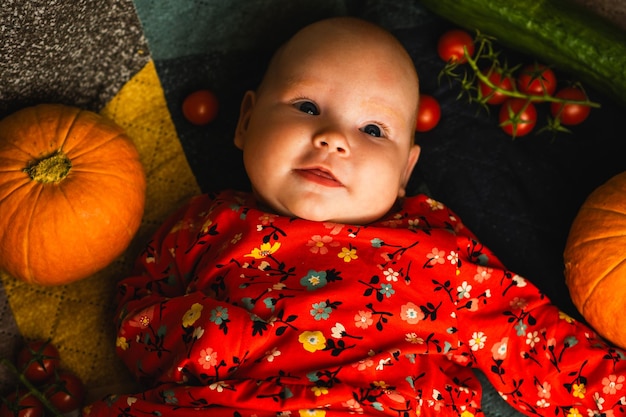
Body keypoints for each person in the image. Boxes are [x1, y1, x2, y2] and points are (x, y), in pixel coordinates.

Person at [83, 17, 626, 417]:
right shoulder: (204, 224)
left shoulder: (430, 250)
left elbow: (526, 336)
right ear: (247, 121)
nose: (333, 138)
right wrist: (201, 339)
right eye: (306, 107)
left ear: (405, 172)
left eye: (372, 131)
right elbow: (137, 316)